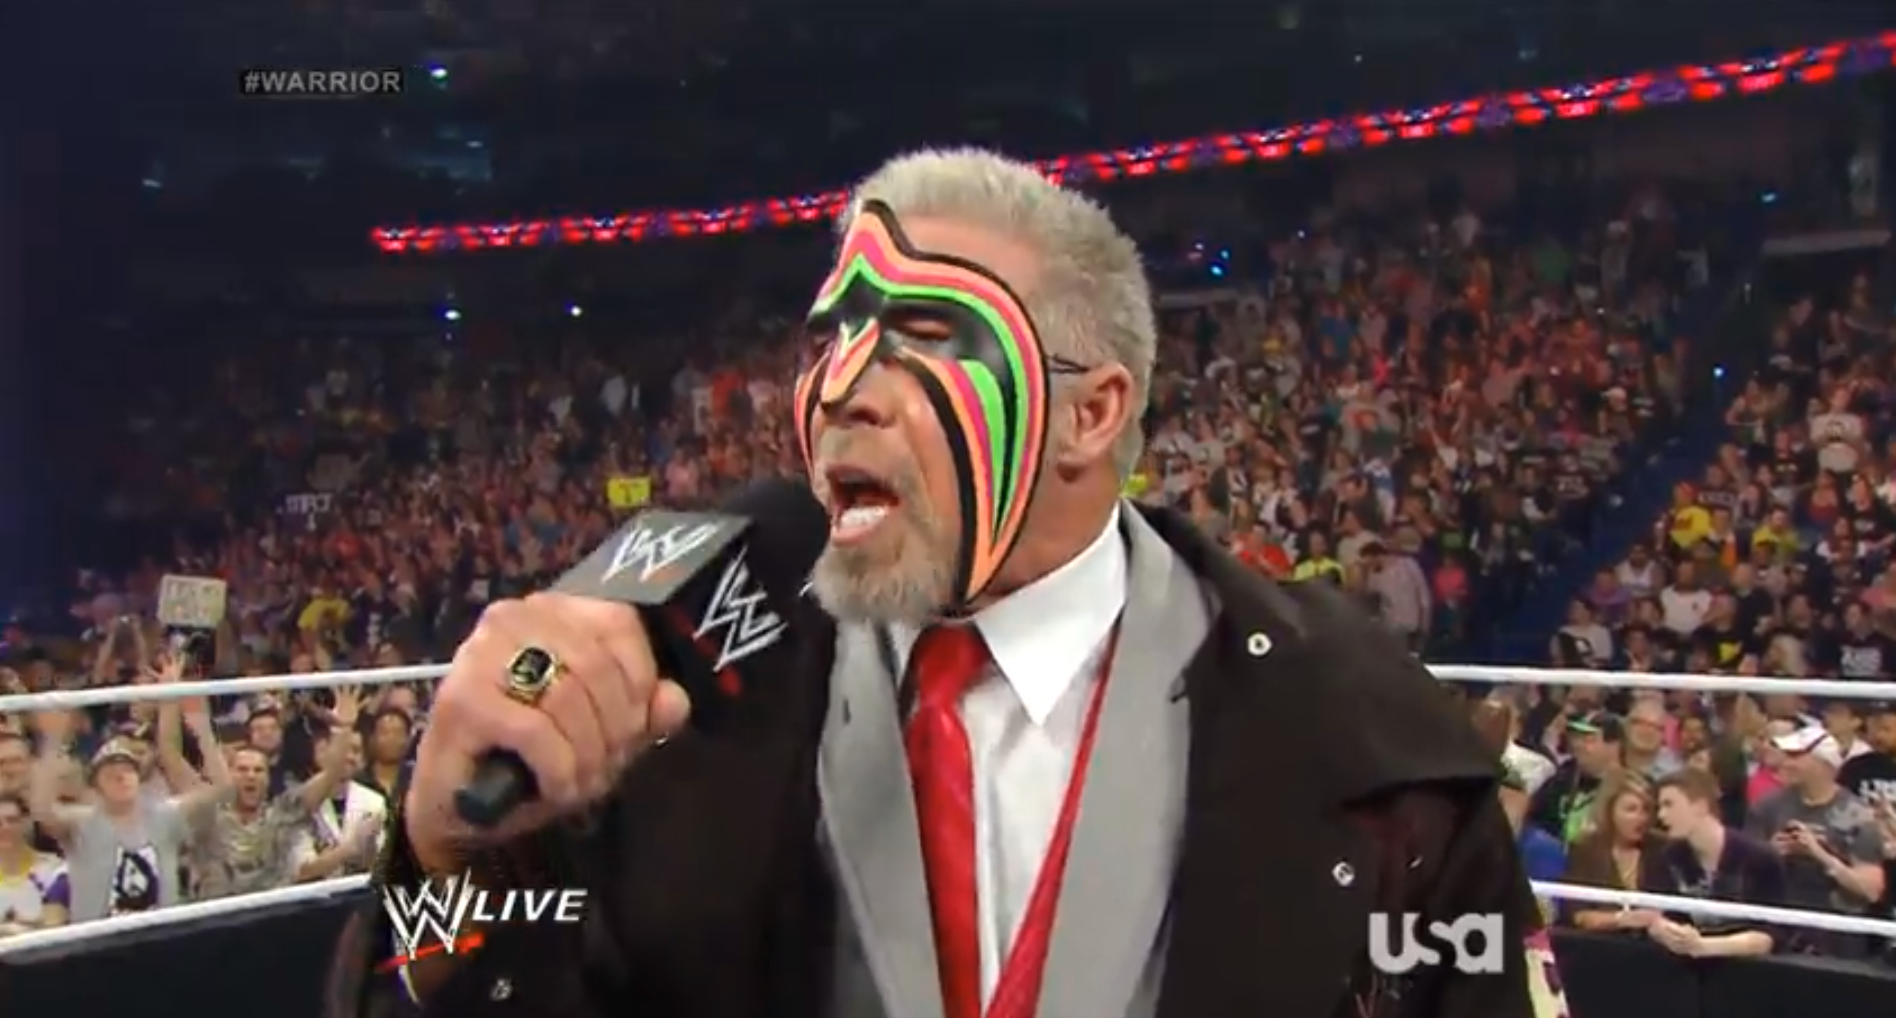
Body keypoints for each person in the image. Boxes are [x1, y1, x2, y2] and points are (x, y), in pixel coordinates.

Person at [325, 149, 1546, 1018]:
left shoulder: (1359, 735)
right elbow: (445, 991)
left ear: (1091, 413)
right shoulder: (680, 673)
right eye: (830, 336)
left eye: (922, 334)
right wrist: (445, 858)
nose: (840, 387)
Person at [1743, 726, 1889, 957]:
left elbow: (1870, 891)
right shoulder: (1767, 807)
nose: (1785, 763)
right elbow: (1740, 872)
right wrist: (1770, 853)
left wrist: (1820, 855)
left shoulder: (1857, 815)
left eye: (1795, 756)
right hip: (1777, 931)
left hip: (1837, 938)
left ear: (1823, 762)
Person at [1645, 768, 1781, 958]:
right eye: (1660, 806)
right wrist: (1669, 933)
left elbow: (1770, 934)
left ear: (1700, 806)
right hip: (1685, 967)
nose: (1661, 815)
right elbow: (1659, 915)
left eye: (1669, 804)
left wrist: (1705, 946)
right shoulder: (1669, 857)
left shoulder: (1759, 858)